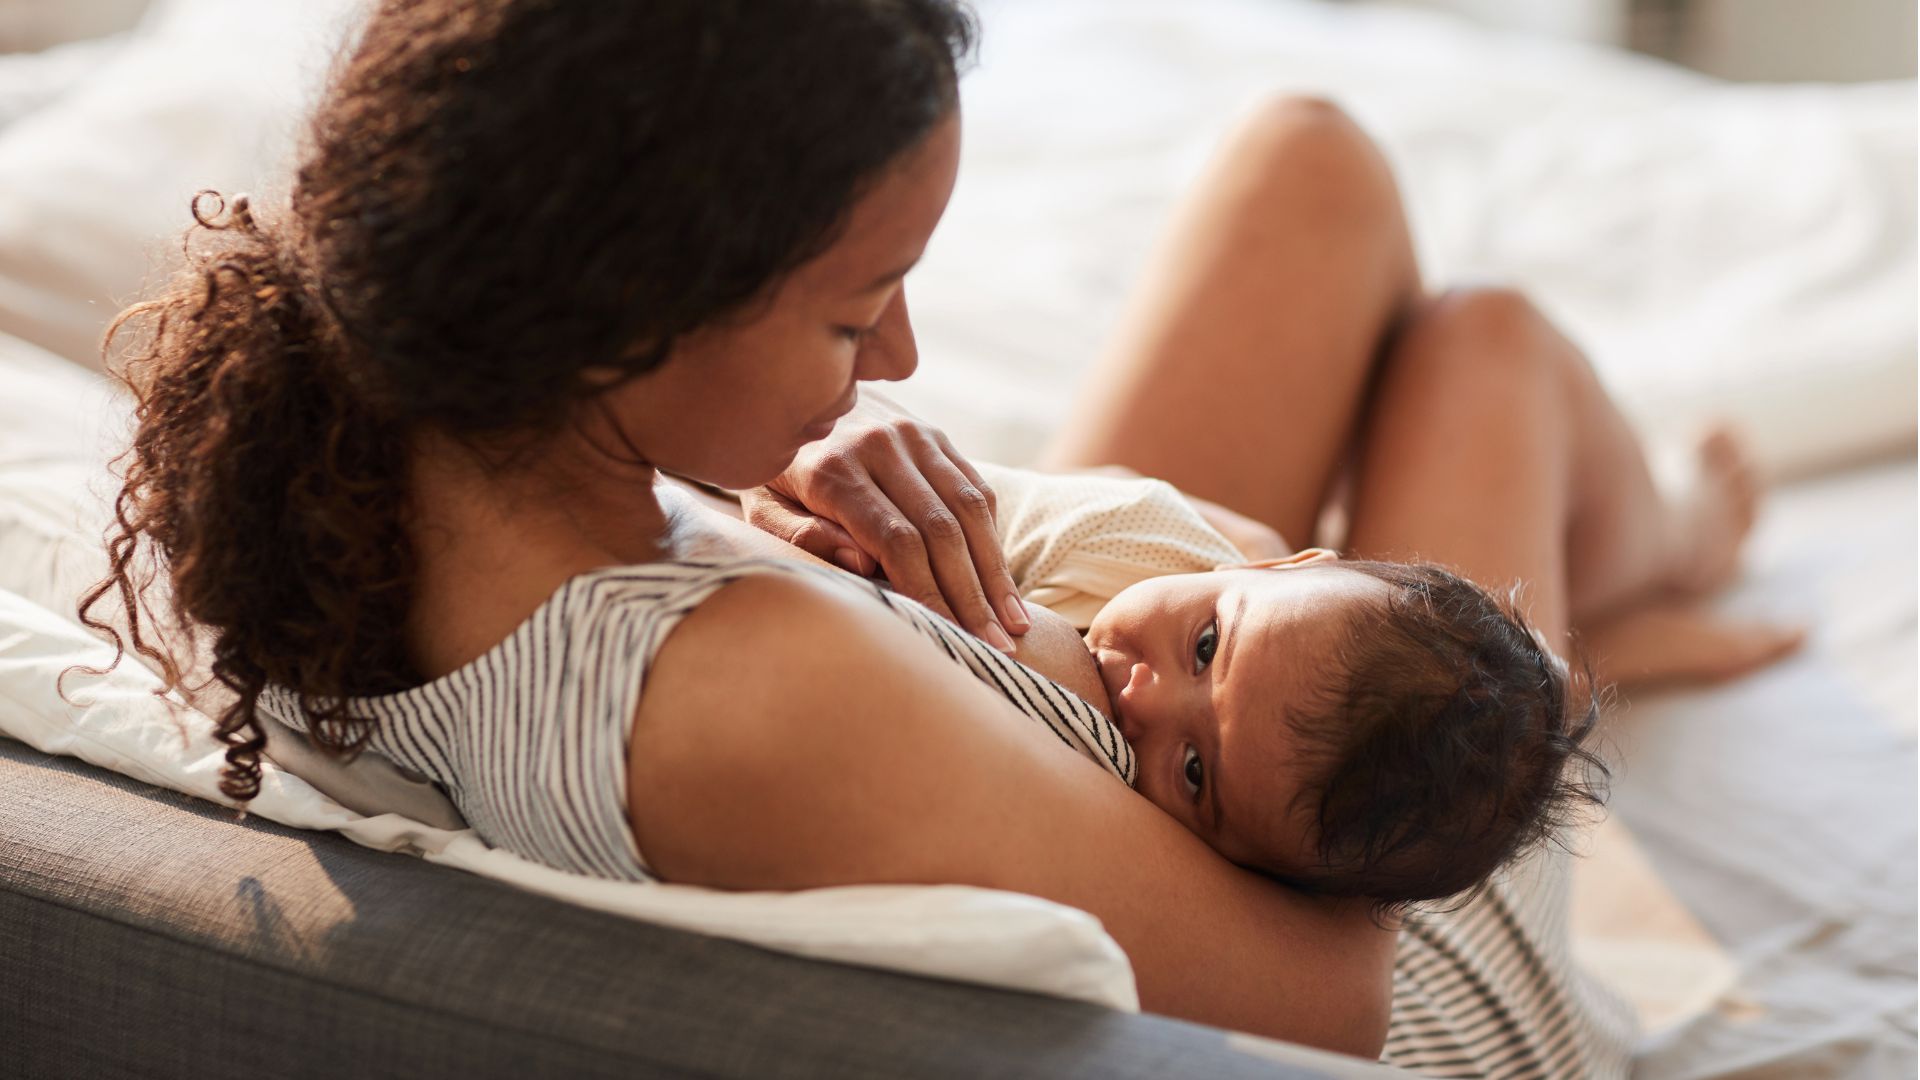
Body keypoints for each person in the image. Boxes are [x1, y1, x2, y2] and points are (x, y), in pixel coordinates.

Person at [80, 0, 1799, 1072]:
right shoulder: (753, 697)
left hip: (1104, 704)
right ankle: (1647, 571)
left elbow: (877, 678)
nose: (897, 360)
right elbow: (1334, 1006)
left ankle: (1588, 593)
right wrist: (1284, 667)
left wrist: (772, 499)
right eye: (855, 313)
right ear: (631, 311)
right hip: (1380, 898)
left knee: (1312, 163)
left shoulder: (388, 439)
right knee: (1485, 341)